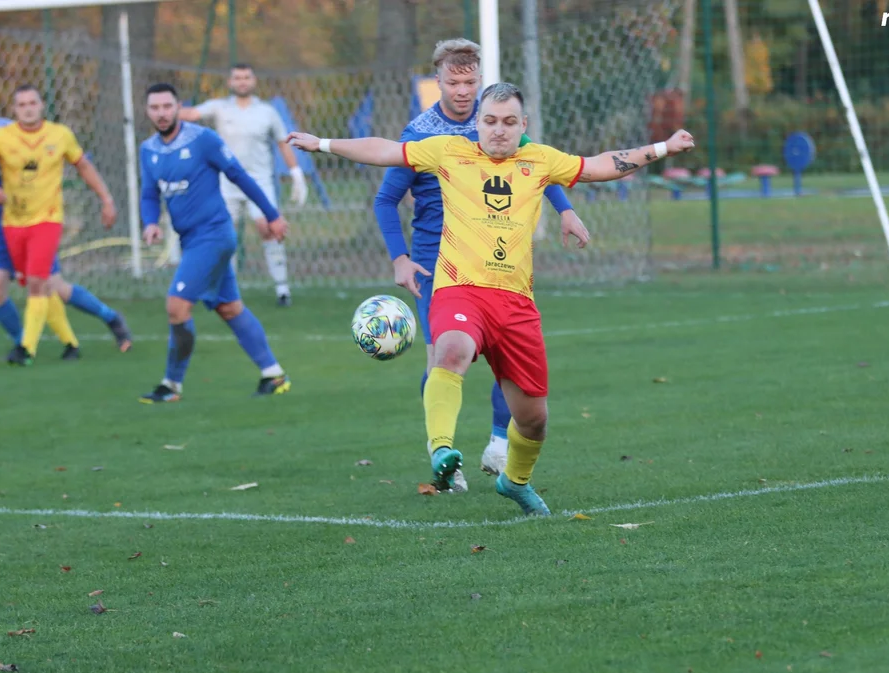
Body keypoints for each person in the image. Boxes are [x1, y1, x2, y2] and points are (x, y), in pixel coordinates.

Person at [290, 82, 695, 516]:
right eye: (489, 121)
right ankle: (442, 450)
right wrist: (324, 144)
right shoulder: (447, 150)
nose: (498, 131)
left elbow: (600, 166)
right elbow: (385, 149)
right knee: (450, 351)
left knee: (534, 419)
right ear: (477, 123)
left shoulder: (539, 159)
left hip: (517, 305)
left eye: (507, 122)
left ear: (523, 125)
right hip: (458, 288)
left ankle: (515, 482)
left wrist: (663, 148)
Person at [373, 39, 591, 491]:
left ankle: (497, 441)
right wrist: (401, 259)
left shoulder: (492, 120)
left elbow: (535, 165)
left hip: (492, 251)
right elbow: (386, 199)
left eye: (471, 81)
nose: (463, 91)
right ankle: (443, 457)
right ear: (438, 83)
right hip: (438, 260)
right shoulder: (421, 133)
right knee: (443, 358)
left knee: (504, 354)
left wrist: (566, 209)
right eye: (454, 82)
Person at [138, 82, 292, 403]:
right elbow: (149, 193)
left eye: (168, 106)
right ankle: (273, 374)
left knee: (176, 306)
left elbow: (239, 176)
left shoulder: (203, 140)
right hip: (191, 239)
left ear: (179, 107)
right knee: (229, 307)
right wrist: (151, 222)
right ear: (147, 111)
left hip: (214, 235)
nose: (162, 113)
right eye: (155, 108)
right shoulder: (148, 150)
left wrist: (272, 215)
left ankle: (171, 385)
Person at [0, 84, 123, 365]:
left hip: (48, 220)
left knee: (37, 282)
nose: (28, 108)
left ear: (41, 105)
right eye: (22, 104)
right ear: (14, 110)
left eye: (32, 102)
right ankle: (72, 343)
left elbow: (83, 165)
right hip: (12, 223)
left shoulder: (60, 135)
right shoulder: (2, 137)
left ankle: (26, 349)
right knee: (46, 285)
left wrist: (106, 199)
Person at [178, 63, 307, 307]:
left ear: (253, 80)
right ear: (230, 82)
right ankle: (227, 289)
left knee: (268, 229)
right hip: (225, 184)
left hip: (259, 182)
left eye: (246, 77)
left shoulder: (266, 111)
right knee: (223, 234)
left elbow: (283, 142)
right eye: (237, 78)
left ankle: (282, 289)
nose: (242, 81)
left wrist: (296, 172)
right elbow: (192, 114)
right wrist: (170, 110)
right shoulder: (219, 107)